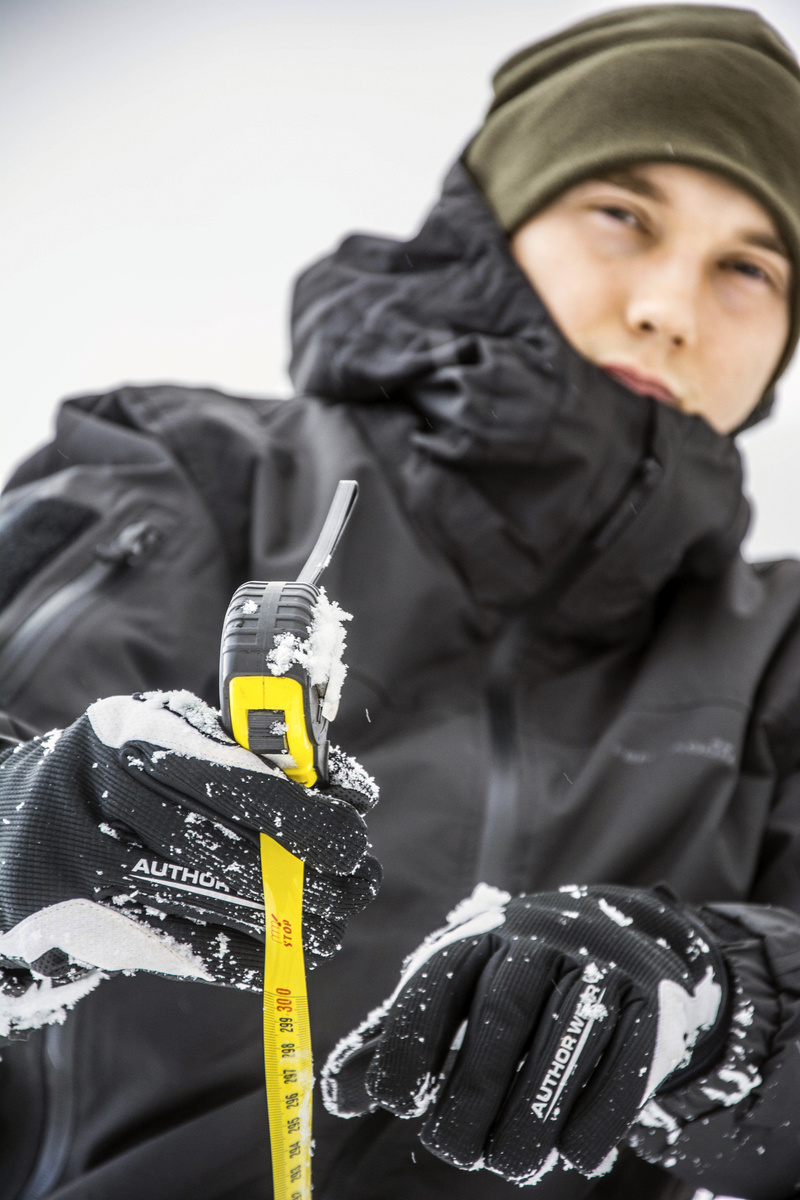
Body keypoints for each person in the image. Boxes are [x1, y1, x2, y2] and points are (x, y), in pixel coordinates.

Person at [1, 3, 800, 1198]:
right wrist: (37, 831)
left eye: (747, 267)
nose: (668, 306)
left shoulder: (776, 654)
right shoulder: (175, 471)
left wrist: (723, 999)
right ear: (491, 225)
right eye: (620, 215)